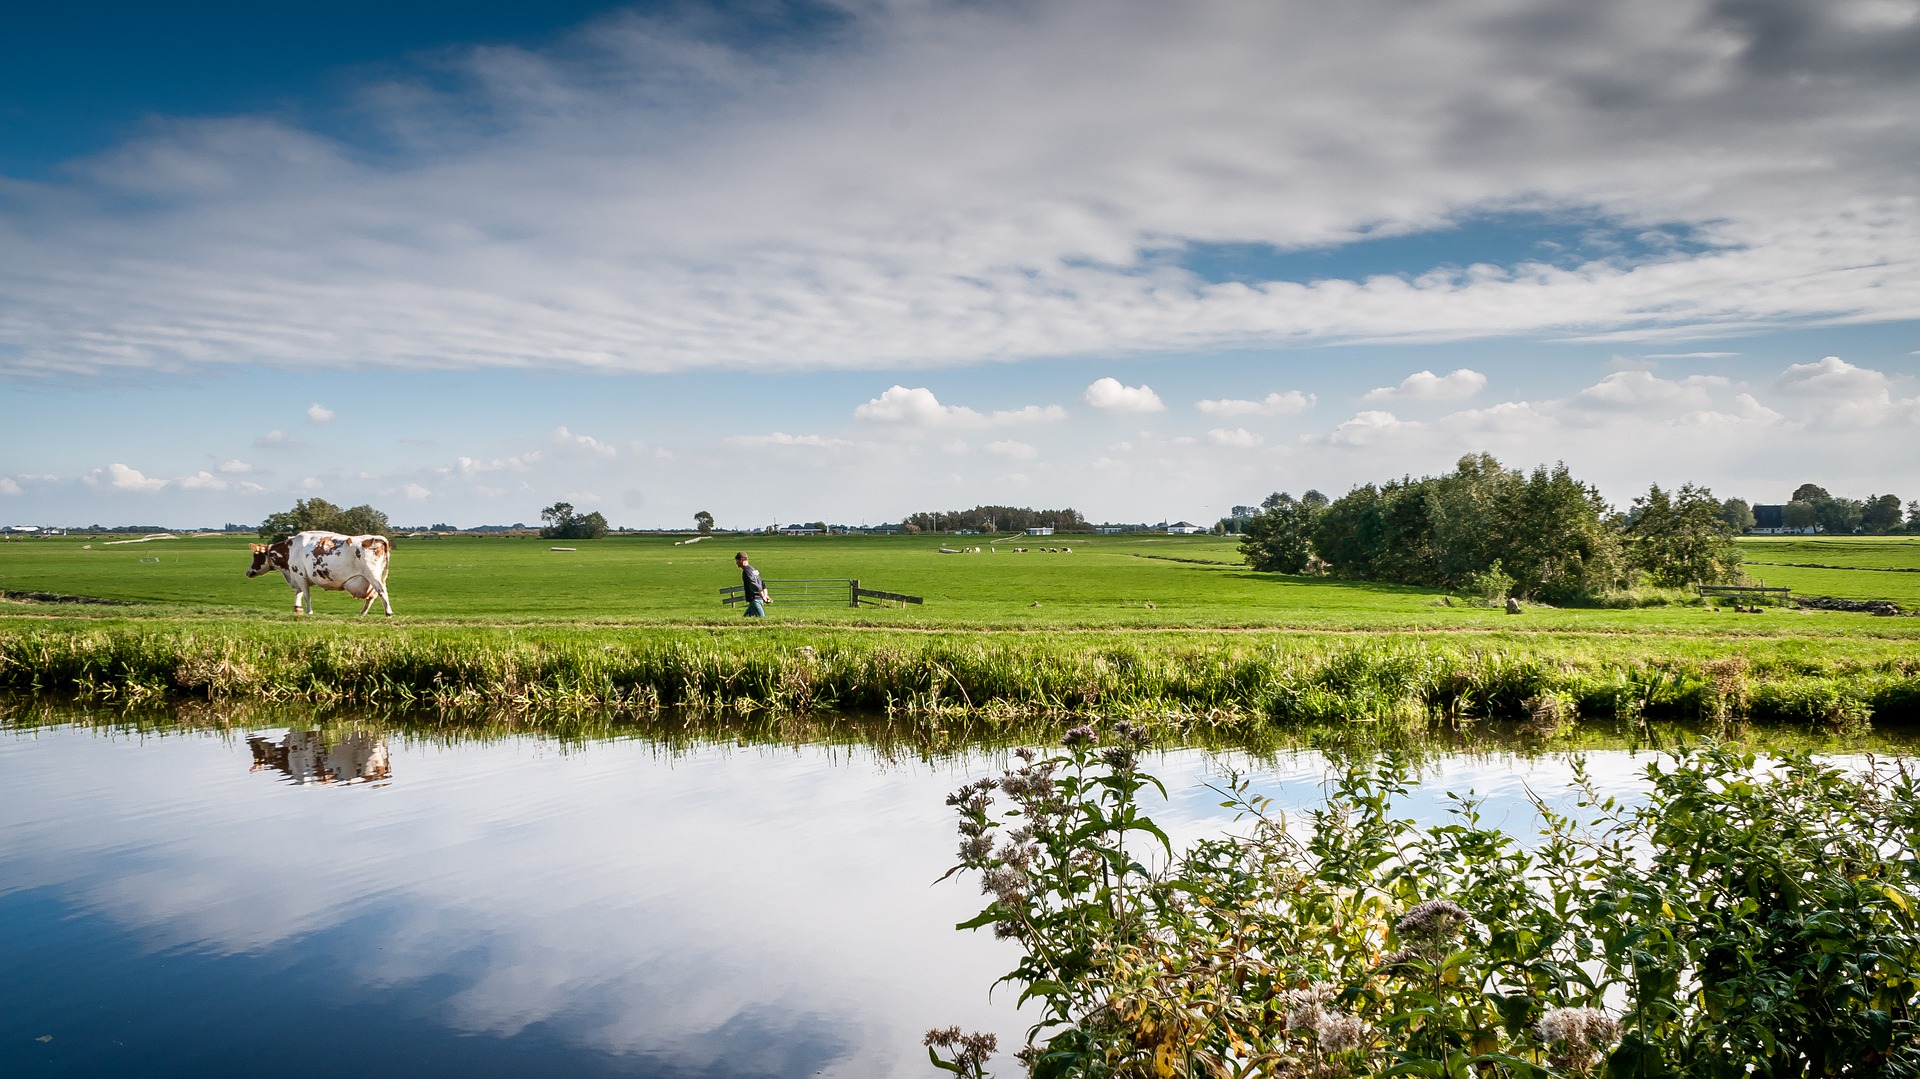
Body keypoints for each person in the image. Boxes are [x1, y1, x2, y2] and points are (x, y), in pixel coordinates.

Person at [735, 551, 769, 617]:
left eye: (737, 561)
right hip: (757, 600)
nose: (736, 563)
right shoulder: (753, 569)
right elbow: (762, 584)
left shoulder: (746, 571)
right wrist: (766, 596)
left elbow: (755, 585)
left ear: (741, 560)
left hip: (755, 600)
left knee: (762, 620)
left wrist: (764, 597)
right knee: (744, 621)